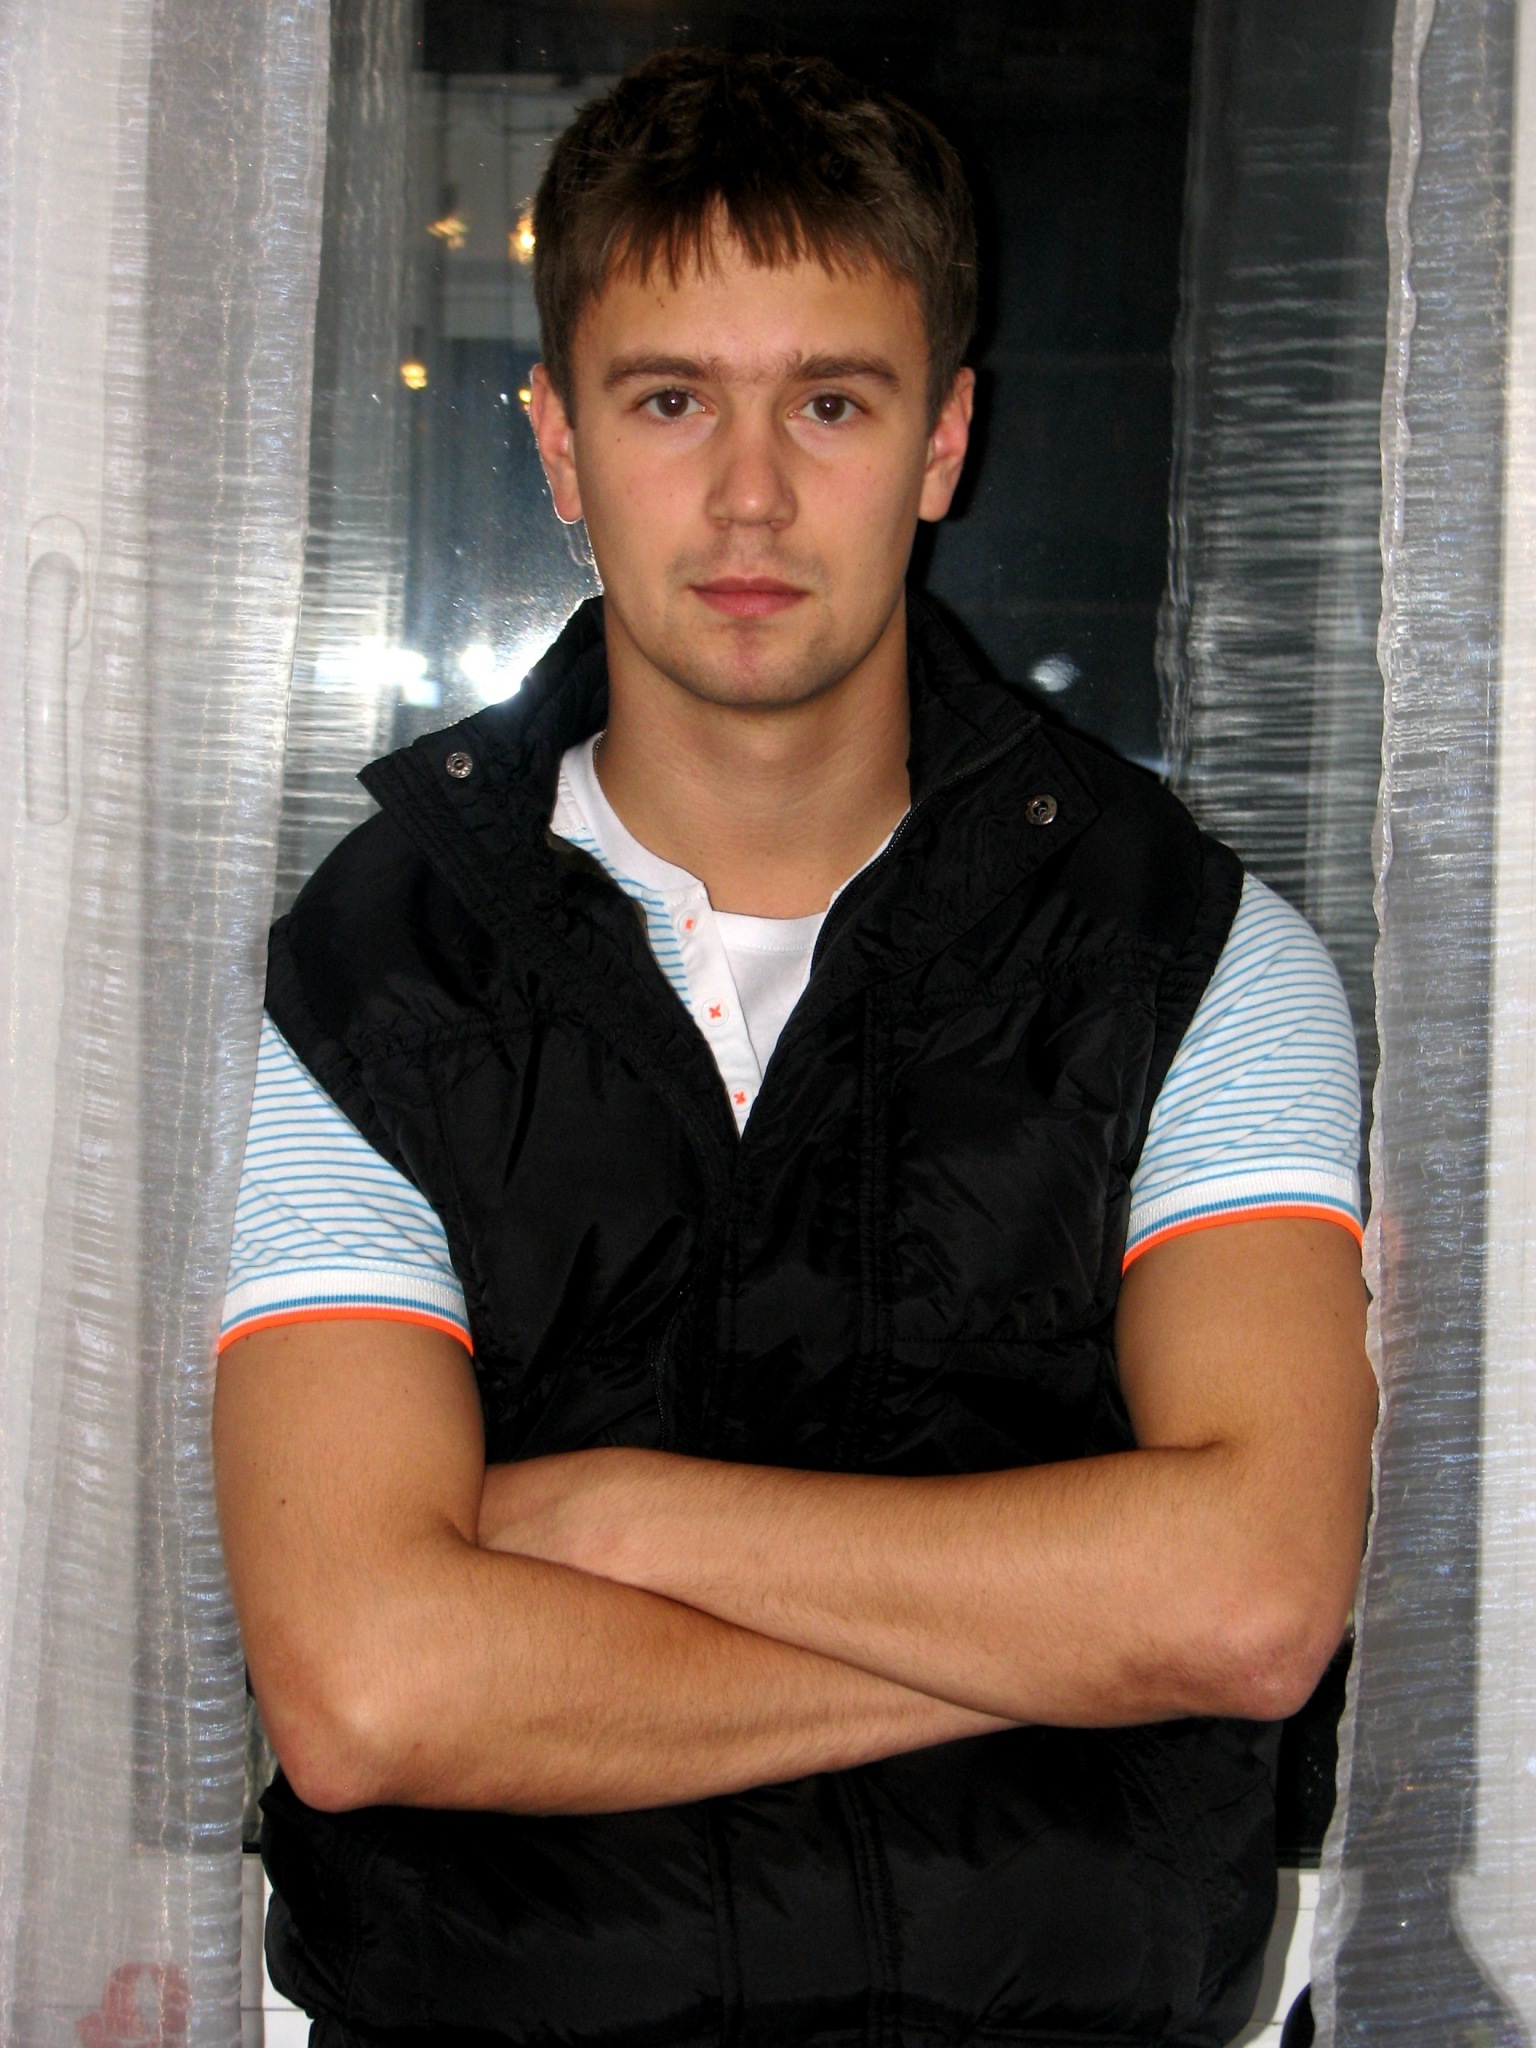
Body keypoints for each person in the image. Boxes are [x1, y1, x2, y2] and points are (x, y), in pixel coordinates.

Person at [214, 47, 1377, 2048]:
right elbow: (376, 1688)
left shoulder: (1193, 959)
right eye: (671, 400)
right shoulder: (370, 976)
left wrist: (613, 1518)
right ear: (559, 444)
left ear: (944, 441)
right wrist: (1065, 1639)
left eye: (831, 403)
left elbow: (1250, 1600)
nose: (749, 495)